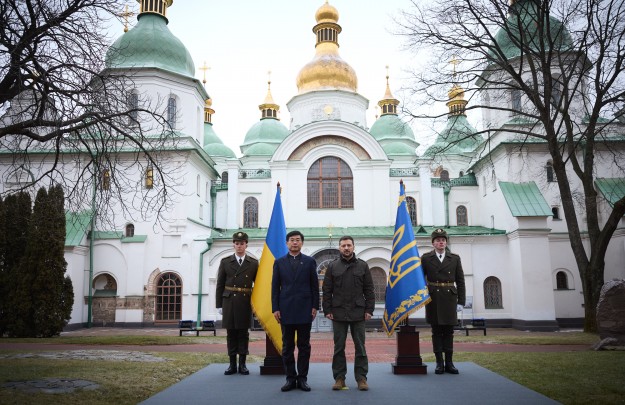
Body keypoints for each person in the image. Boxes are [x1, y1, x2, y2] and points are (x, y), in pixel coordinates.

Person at [322, 236, 375, 391]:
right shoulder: (333, 267)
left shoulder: (363, 266)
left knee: (360, 347)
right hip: (338, 313)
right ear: (339, 247)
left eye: (349, 245)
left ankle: (361, 379)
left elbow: (369, 290)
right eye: (343, 245)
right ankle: (339, 378)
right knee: (339, 348)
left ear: (353, 247)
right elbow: (326, 291)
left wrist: (369, 310)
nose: (346, 248)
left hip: (358, 312)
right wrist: (327, 310)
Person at [272, 230, 319, 392]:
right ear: (287, 243)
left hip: (305, 309)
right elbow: (275, 288)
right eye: (292, 240)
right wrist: (275, 308)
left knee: (304, 346)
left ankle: (303, 379)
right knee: (287, 347)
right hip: (285, 310)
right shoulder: (279, 263)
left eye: (298, 240)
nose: (294, 242)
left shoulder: (309, 261)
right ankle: (290, 378)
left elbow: (314, 287)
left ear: (302, 243)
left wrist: (315, 306)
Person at [421, 228, 466, 375]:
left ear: (446, 242)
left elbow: (460, 281)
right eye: (438, 240)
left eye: (443, 240)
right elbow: (421, 279)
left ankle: (450, 363)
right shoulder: (426, 258)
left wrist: (461, 301)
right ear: (433, 243)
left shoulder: (455, 258)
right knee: (436, 331)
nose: (441, 242)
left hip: (449, 298)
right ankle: (439, 363)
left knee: (448, 331)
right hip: (433, 297)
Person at [215, 231, 259, 375]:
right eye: (237, 243)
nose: (239, 246)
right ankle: (232, 364)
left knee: (243, 333)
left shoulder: (253, 263)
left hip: (245, 301)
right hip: (229, 301)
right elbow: (220, 284)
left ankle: (243, 365)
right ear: (233, 244)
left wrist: (256, 304)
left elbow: (257, 285)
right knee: (231, 333)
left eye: (242, 243)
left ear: (246, 245)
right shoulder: (225, 261)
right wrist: (219, 304)